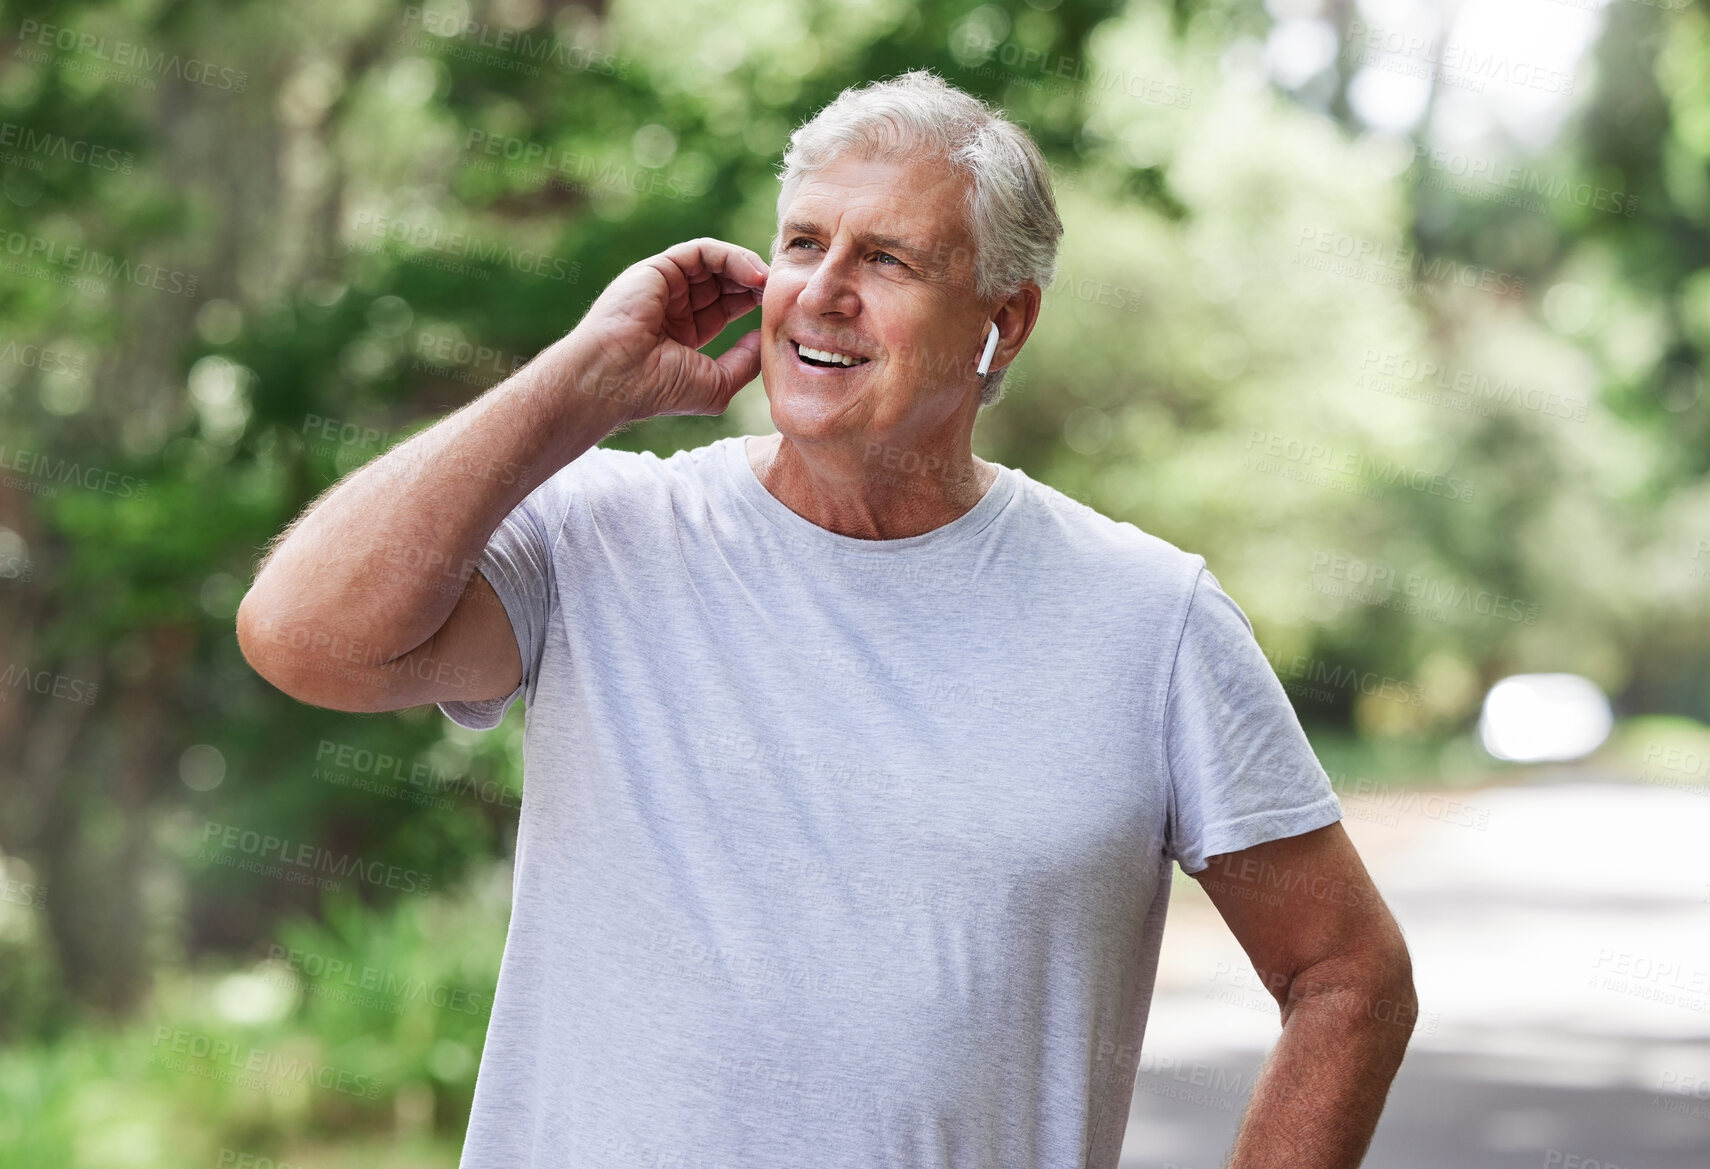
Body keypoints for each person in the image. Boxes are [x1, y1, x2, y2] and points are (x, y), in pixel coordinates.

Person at [238, 69, 1416, 1169]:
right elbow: (302, 637)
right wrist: (578, 383)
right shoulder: (601, 532)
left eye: (890, 258)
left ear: (1004, 323)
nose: (824, 288)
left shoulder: (1148, 618)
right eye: (803, 241)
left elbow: (1349, 975)